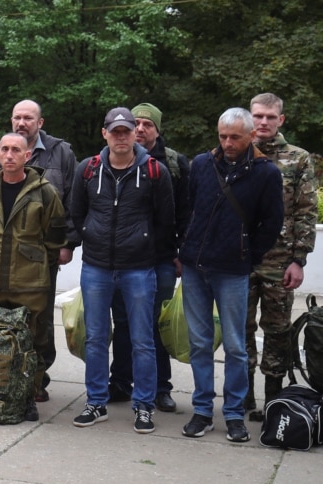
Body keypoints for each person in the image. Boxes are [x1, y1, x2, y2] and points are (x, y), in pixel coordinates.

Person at [67, 107, 175, 434]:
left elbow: (165, 222)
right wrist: (84, 238)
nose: (122, 136)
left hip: (139, 270)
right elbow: (76, 213)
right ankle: (96, 402)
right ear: (105, 134)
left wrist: (147, 250)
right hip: (97, 267)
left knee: (143, 339)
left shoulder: (155, 172)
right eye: (115, 131)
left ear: (134, 134)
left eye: (126, 131)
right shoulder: (88, 169)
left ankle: (143, 406)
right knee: (97, 339)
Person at [179, 107, 284, 443]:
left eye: (235, 137)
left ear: (251, 136)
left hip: (233, 270)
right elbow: (188, 207)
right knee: (199, 343)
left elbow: (272, 222)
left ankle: (235, 414)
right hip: (195, 267)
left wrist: (247, 254)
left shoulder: (266, 173)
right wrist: (185, 245)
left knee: (237, 347)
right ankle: (202, 410)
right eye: (222, 136)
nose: (227, 143)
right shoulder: (201, 164)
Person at [0, 99, 77, 399]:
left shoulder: (61, 153)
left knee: (38, 323)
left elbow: (71, 201)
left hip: (39, 259)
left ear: (40, 123)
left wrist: (66, 244)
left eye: (28, 118)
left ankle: (35, 380)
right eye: (17, 118)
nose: (22, 123)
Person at [0, 132, 66, 421]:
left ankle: (28, 395)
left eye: (16, 150)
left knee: (32, 339)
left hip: (30, 282)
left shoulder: (45, 192)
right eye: (4, 149)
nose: (9, 154)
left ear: (27, 156)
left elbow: (55, 236)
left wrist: (33, 261)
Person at [105, 103, 192, 412]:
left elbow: (185, 213)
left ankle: (159, 387)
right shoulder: (110, 160)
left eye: (147, 124)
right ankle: (120, 382)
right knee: (125, 322)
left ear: (157, 129)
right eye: (136, 123)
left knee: (155, 324)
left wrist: (181, 252)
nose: (140, 129)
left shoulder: (175, 164)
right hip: (124, 259)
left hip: (161, 258)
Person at [245, 93, 318, 420]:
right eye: (257, 116)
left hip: (279, 262)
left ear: (281, 120)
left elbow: (306, 212)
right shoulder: (237, 152)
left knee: (277, 331)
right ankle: (242, 397)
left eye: (269, 117)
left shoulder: (298, 159)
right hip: (240, 260)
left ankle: (274, 400)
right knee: (239, 330)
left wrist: (298, 260)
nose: (263, 122)